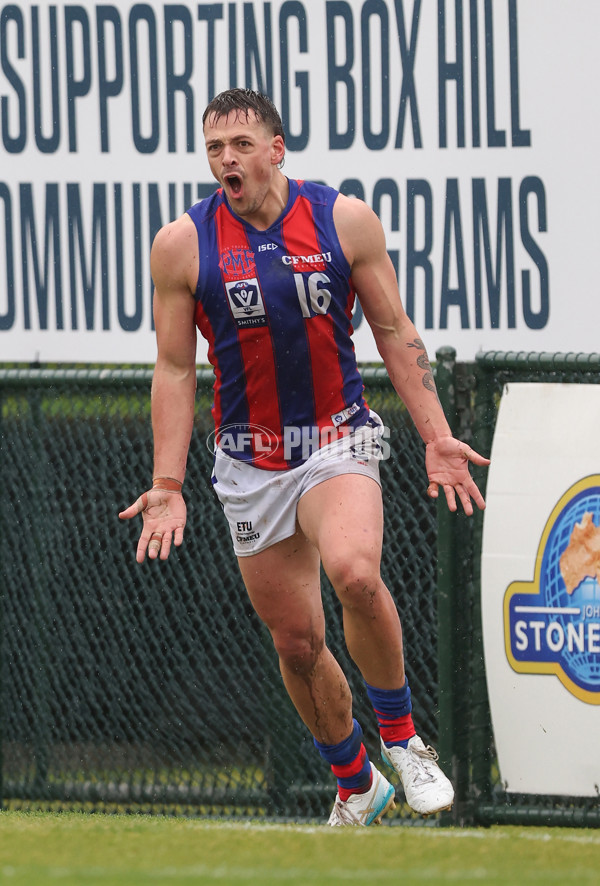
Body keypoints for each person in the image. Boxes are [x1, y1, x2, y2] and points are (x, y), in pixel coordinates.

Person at [119, 88, 490, 827]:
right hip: (249, 463)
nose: (227, 159)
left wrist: (438, 435)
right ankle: (356, 782)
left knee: (354, 571)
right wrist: (167, 482)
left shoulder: (341, 219)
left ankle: (405, 741)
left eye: (242, 145)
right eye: (215, 148)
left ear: (277, 148)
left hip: (335, 438)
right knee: (296, 642)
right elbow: (171, 367)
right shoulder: (181, 245)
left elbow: (392, 327)